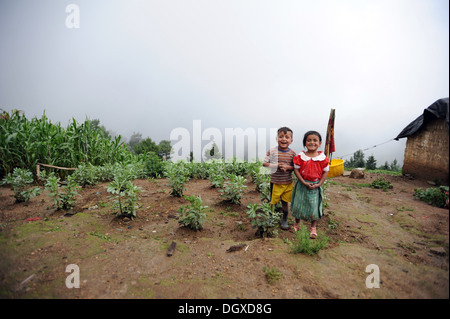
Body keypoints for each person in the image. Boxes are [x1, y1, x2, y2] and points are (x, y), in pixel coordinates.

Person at [291, 130, 329, 238]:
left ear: (320, 143)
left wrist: (319, 184)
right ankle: (297, 224)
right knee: (299, 205)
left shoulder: (323, 159)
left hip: (315, 185)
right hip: (302, 184)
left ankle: (313, 228)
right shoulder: (301, 157)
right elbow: (296, 170)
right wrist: (303, 182)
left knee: (314, 207)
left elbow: (325, 172)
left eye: (315, 140)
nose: (312, 142)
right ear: (305, 143)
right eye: (309, 140)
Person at [263, 127, 296, 230]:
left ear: (291, 140)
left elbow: (295, 168)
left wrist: (287, 167)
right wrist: (276, 165)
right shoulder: (272, 151)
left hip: (287, 182)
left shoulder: (293, 153)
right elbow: (264, 163)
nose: (284, 139)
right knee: (273, 201)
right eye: (281, 136)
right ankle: (270, 217)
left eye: (287, 137)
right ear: (276, 138)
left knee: (285, 202)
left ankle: (284, 219)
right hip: (275, 181)